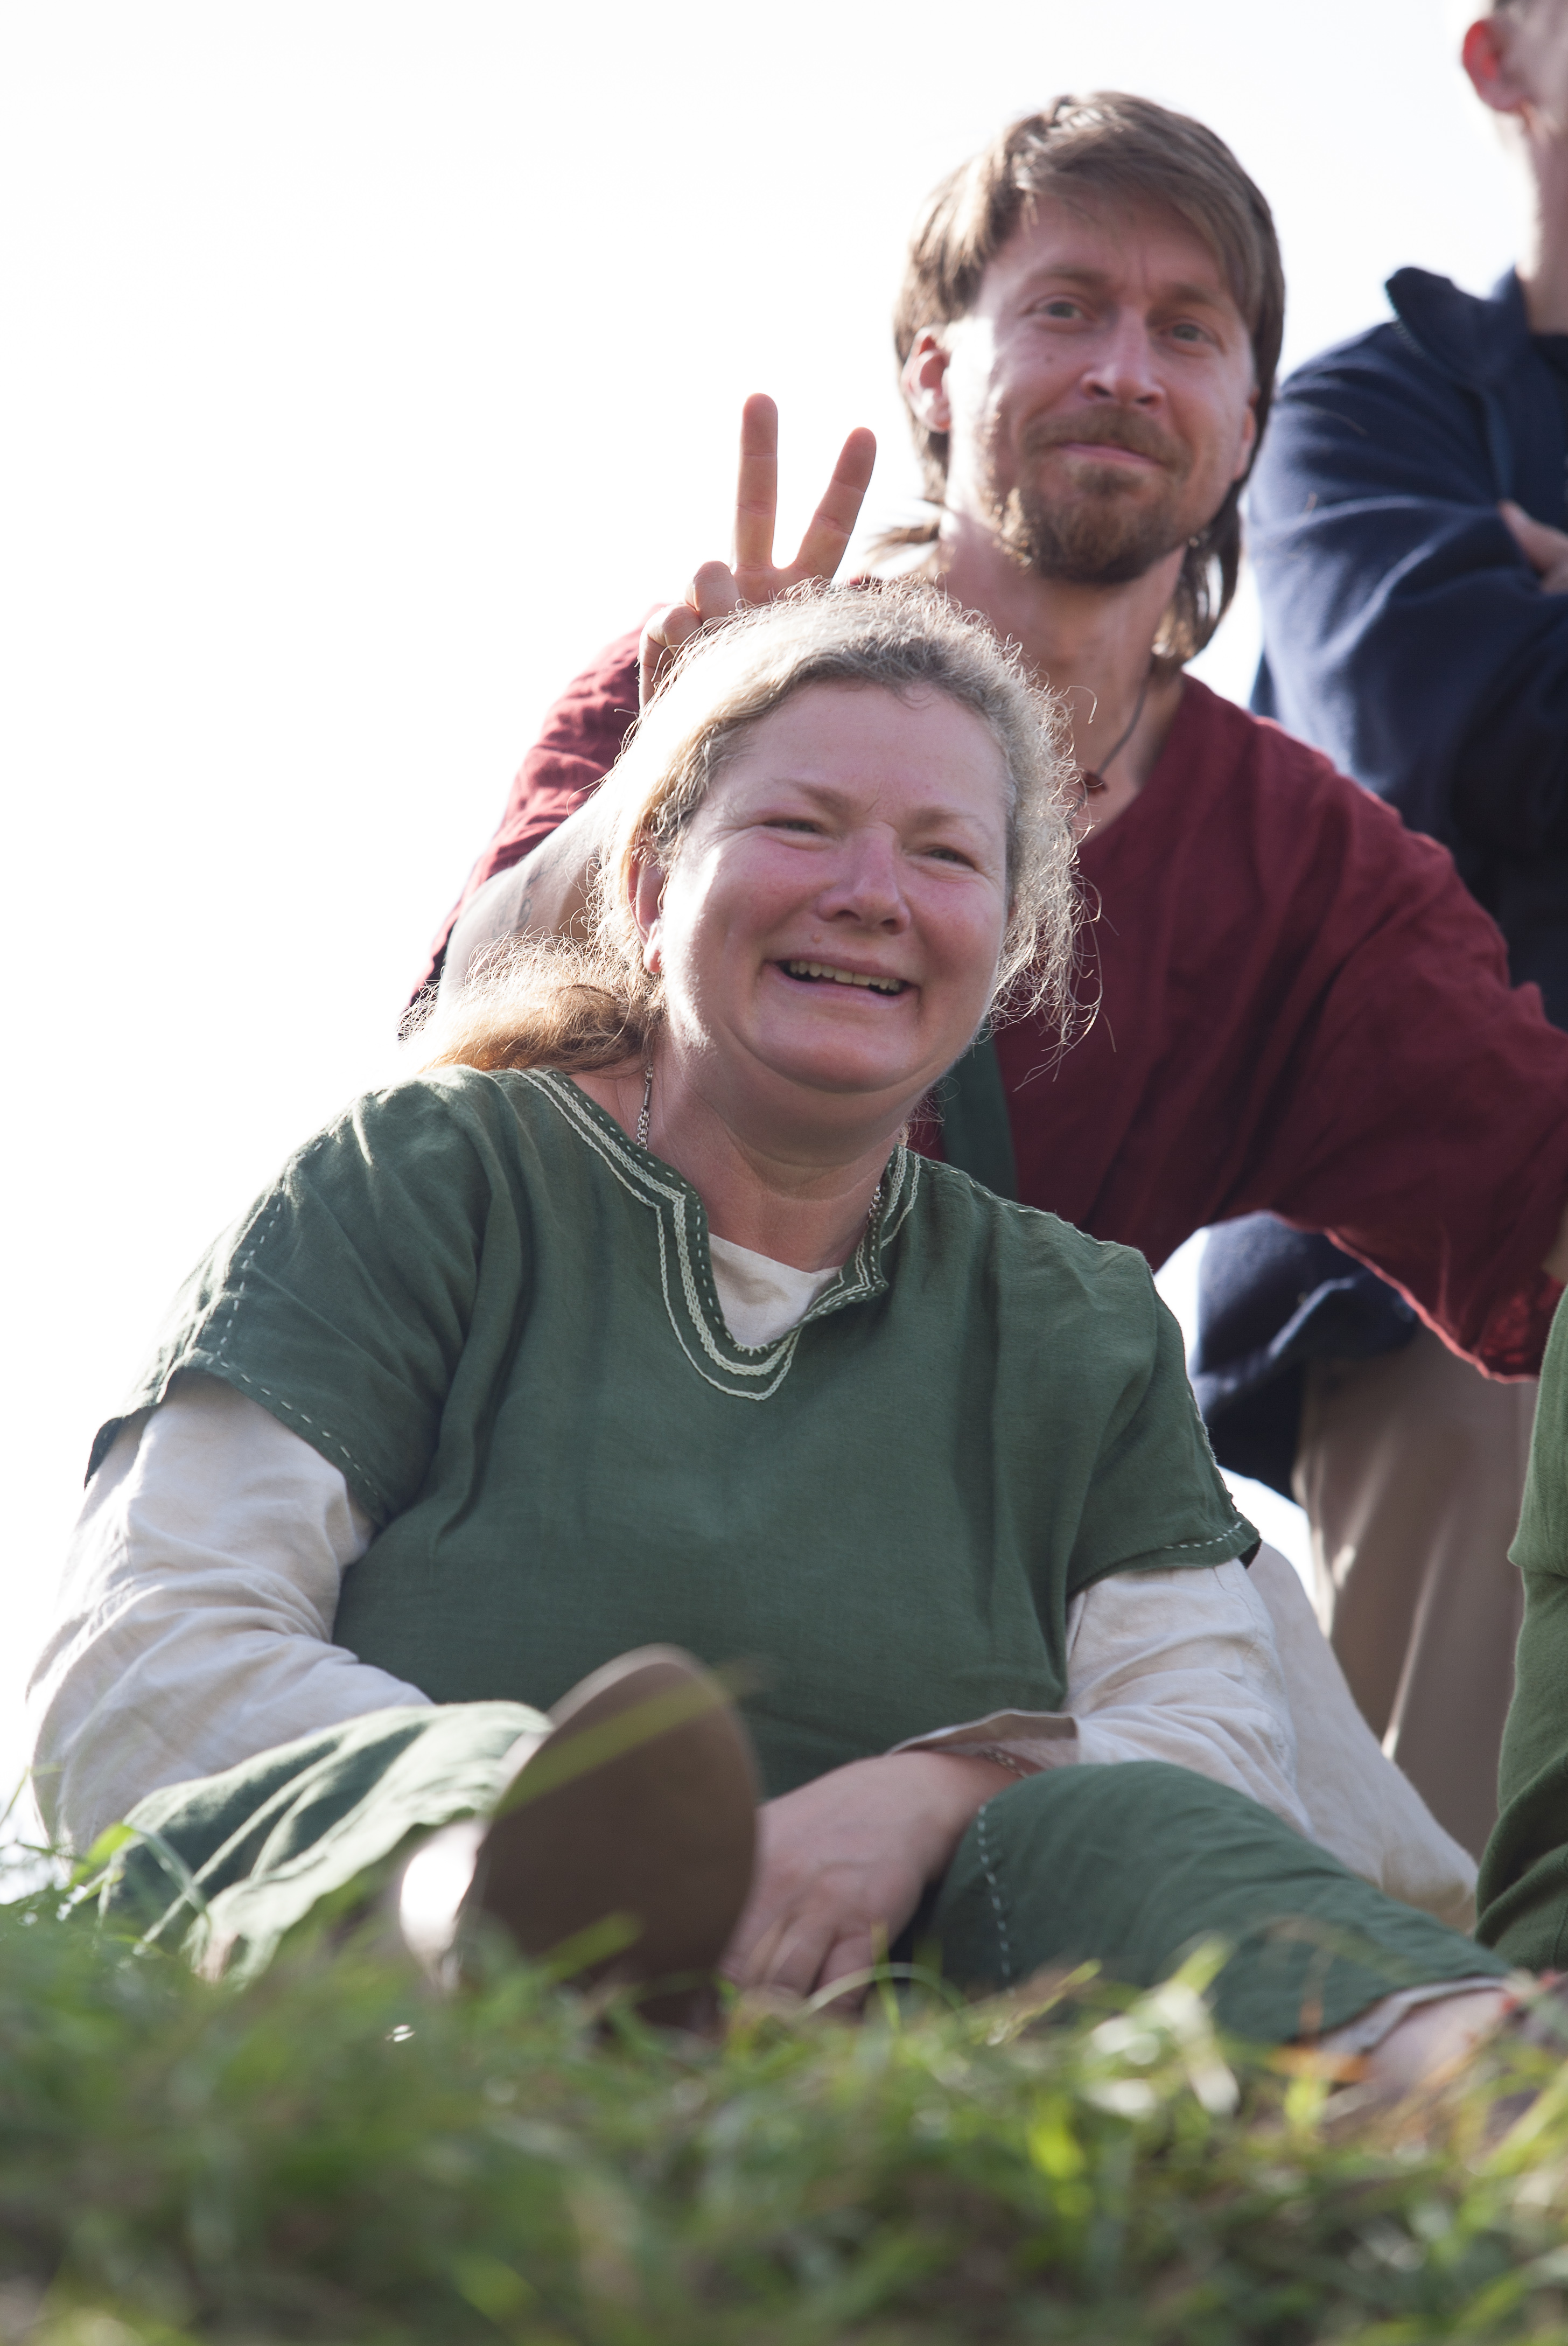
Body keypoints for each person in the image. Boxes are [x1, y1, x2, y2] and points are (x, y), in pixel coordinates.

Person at [30, 587, 1509, 2076]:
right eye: (800, 827)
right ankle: (528, 1936)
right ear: (651, 881)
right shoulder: (423, 1182)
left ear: (1009, 942)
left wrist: (937, 1797)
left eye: (945, 854)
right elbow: (149, 1657)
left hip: (924, 2024)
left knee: (1114, 1825)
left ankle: (1486, 2084)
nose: (872, 893)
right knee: (477, 1844)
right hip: (421, 2004)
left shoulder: (1077, 1321)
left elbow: (1214, 1745)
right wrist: (548, 1814)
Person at [417, 94, 1568, 1860]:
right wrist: (678, 760)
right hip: (589, 1492)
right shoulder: (715, 671)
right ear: (937, 373)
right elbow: (457, 1047)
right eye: (1065, 307)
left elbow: (1534, 1197)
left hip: (1000, 1555)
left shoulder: (1302, 871)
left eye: (1189, 329)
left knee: (1406, 1912)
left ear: (1248, 422)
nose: (1124, 368)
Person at [1198, 0, 1568, 1859]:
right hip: (1465, 1303)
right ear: (1506, 60)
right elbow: (1476, 741)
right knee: (1446, 1918)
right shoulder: (1365, 411)